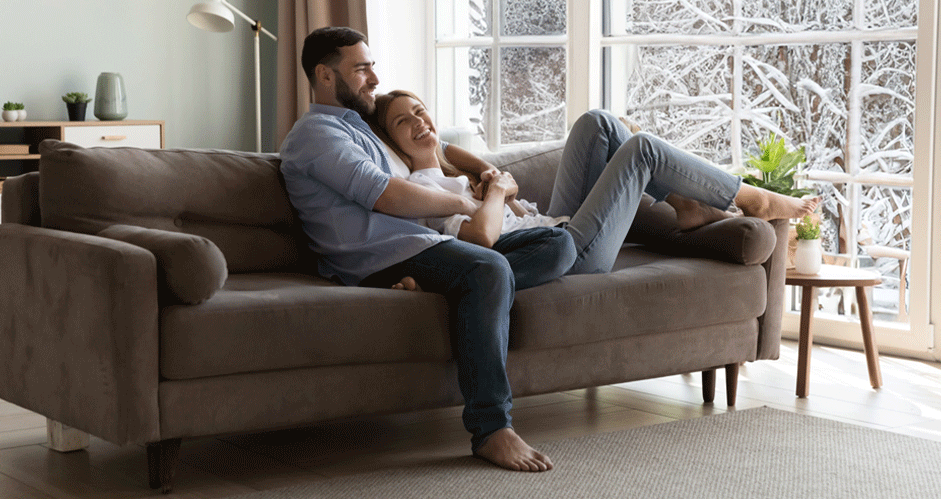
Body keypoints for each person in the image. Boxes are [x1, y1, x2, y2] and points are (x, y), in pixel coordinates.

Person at [278, 27, 555, 472]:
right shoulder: (315, 135)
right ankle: (491, 429)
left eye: (371, 66)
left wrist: (486, 169)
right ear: (324, 76)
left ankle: (449, 295)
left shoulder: (362, 128)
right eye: (361, 69)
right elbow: (384, 195)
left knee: (546, 246)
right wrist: (468, 203)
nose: (373, 77)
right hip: (377, 257)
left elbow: (439, 146)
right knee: (488, 270)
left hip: (417, 249)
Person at [369, 90, 820, 275]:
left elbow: (459, 161)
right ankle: (752, 198)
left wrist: (485, 174)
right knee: (643, 150)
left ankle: (687, 203)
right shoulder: (421, 189)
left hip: (554, 223)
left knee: (597, 123)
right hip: (566, 253)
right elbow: (481, 238)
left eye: (420, 111)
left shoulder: (452, 169)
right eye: (401, 121)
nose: (417, 122)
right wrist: (500, 191)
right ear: (390, 140)